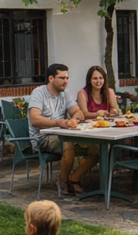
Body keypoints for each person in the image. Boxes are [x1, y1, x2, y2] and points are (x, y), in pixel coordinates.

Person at [27, 63, 92, 196]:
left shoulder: (65, 94)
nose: (66, 81)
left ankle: (74, 178)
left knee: (96, 147)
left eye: (67, 78)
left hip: (63, 134)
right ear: (51, 78)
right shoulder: (38, 93)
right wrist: (58, 122)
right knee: (68, 143)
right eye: (62, 78)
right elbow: (34, 119)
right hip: (42, 137)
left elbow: (78, 112)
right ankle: (63, 181)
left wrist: (75, 119)